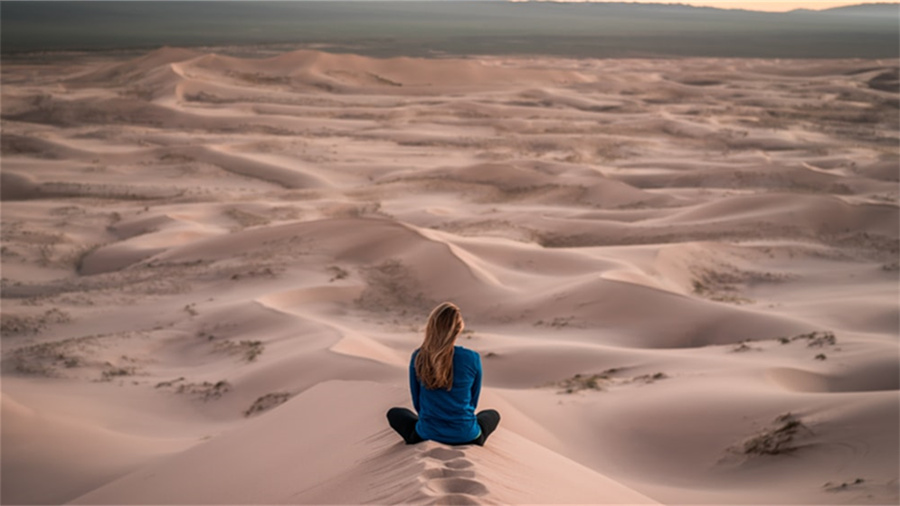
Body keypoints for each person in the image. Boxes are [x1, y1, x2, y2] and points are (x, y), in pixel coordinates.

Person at [387, 302, 500, 446]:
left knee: (395, 413)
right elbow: (473, 401)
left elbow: (417, 403)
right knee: (492, 414)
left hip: (426, 434)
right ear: (459, 329)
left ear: (431, 327)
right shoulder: (472, 358)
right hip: (467, 435)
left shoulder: (419, 356)